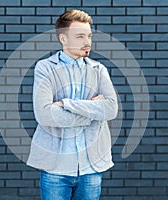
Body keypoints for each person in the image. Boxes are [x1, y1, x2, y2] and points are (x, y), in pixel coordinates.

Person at [27, 9, 118, 200]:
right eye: (80, 36)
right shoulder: (45, 68)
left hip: (91, 166)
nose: (87, 42)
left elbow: (110, 109)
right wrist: (92, 112)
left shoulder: (99, 70)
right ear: (63, 39)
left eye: (89, 36)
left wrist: (66, 104)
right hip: (56, 167)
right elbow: (44, 114)